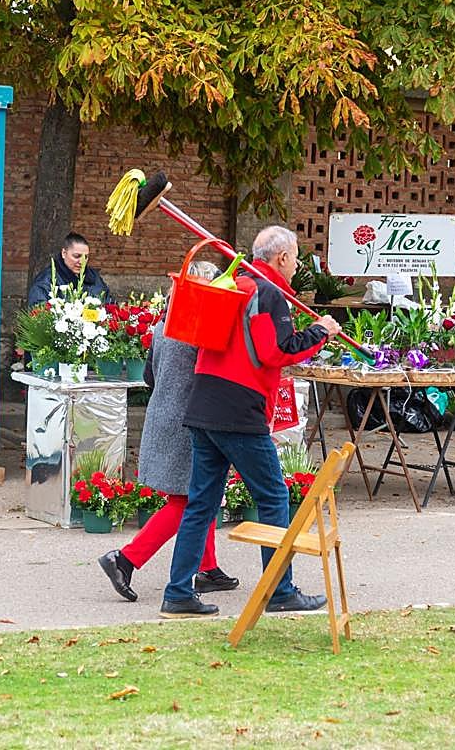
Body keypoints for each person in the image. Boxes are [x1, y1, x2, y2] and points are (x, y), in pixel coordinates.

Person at [160, 225, 342, 619]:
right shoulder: (269, 293)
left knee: (202, 503)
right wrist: (320, 331)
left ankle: (177, 593)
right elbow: (275, 351)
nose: (296, 265)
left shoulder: (235, 283)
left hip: (205, 401)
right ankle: (279, 590)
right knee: (273, 496)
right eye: (295, 257)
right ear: (281, 258)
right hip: (238, 407)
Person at [96, 260, 238, 602]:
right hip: (186, 422)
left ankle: (207, 568)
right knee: (186, 501)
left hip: (165, 415)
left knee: (198, 494)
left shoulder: (165, 323)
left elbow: (149, 376)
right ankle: (126, 559)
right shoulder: (199, 325)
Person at [27, 232, 113, 305]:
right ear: (64, 253)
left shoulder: (95, 278)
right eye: (77, 256)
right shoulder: (46, 280)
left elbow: (110, 305)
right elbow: (38, 314)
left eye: (85, 257)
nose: (81, 261)